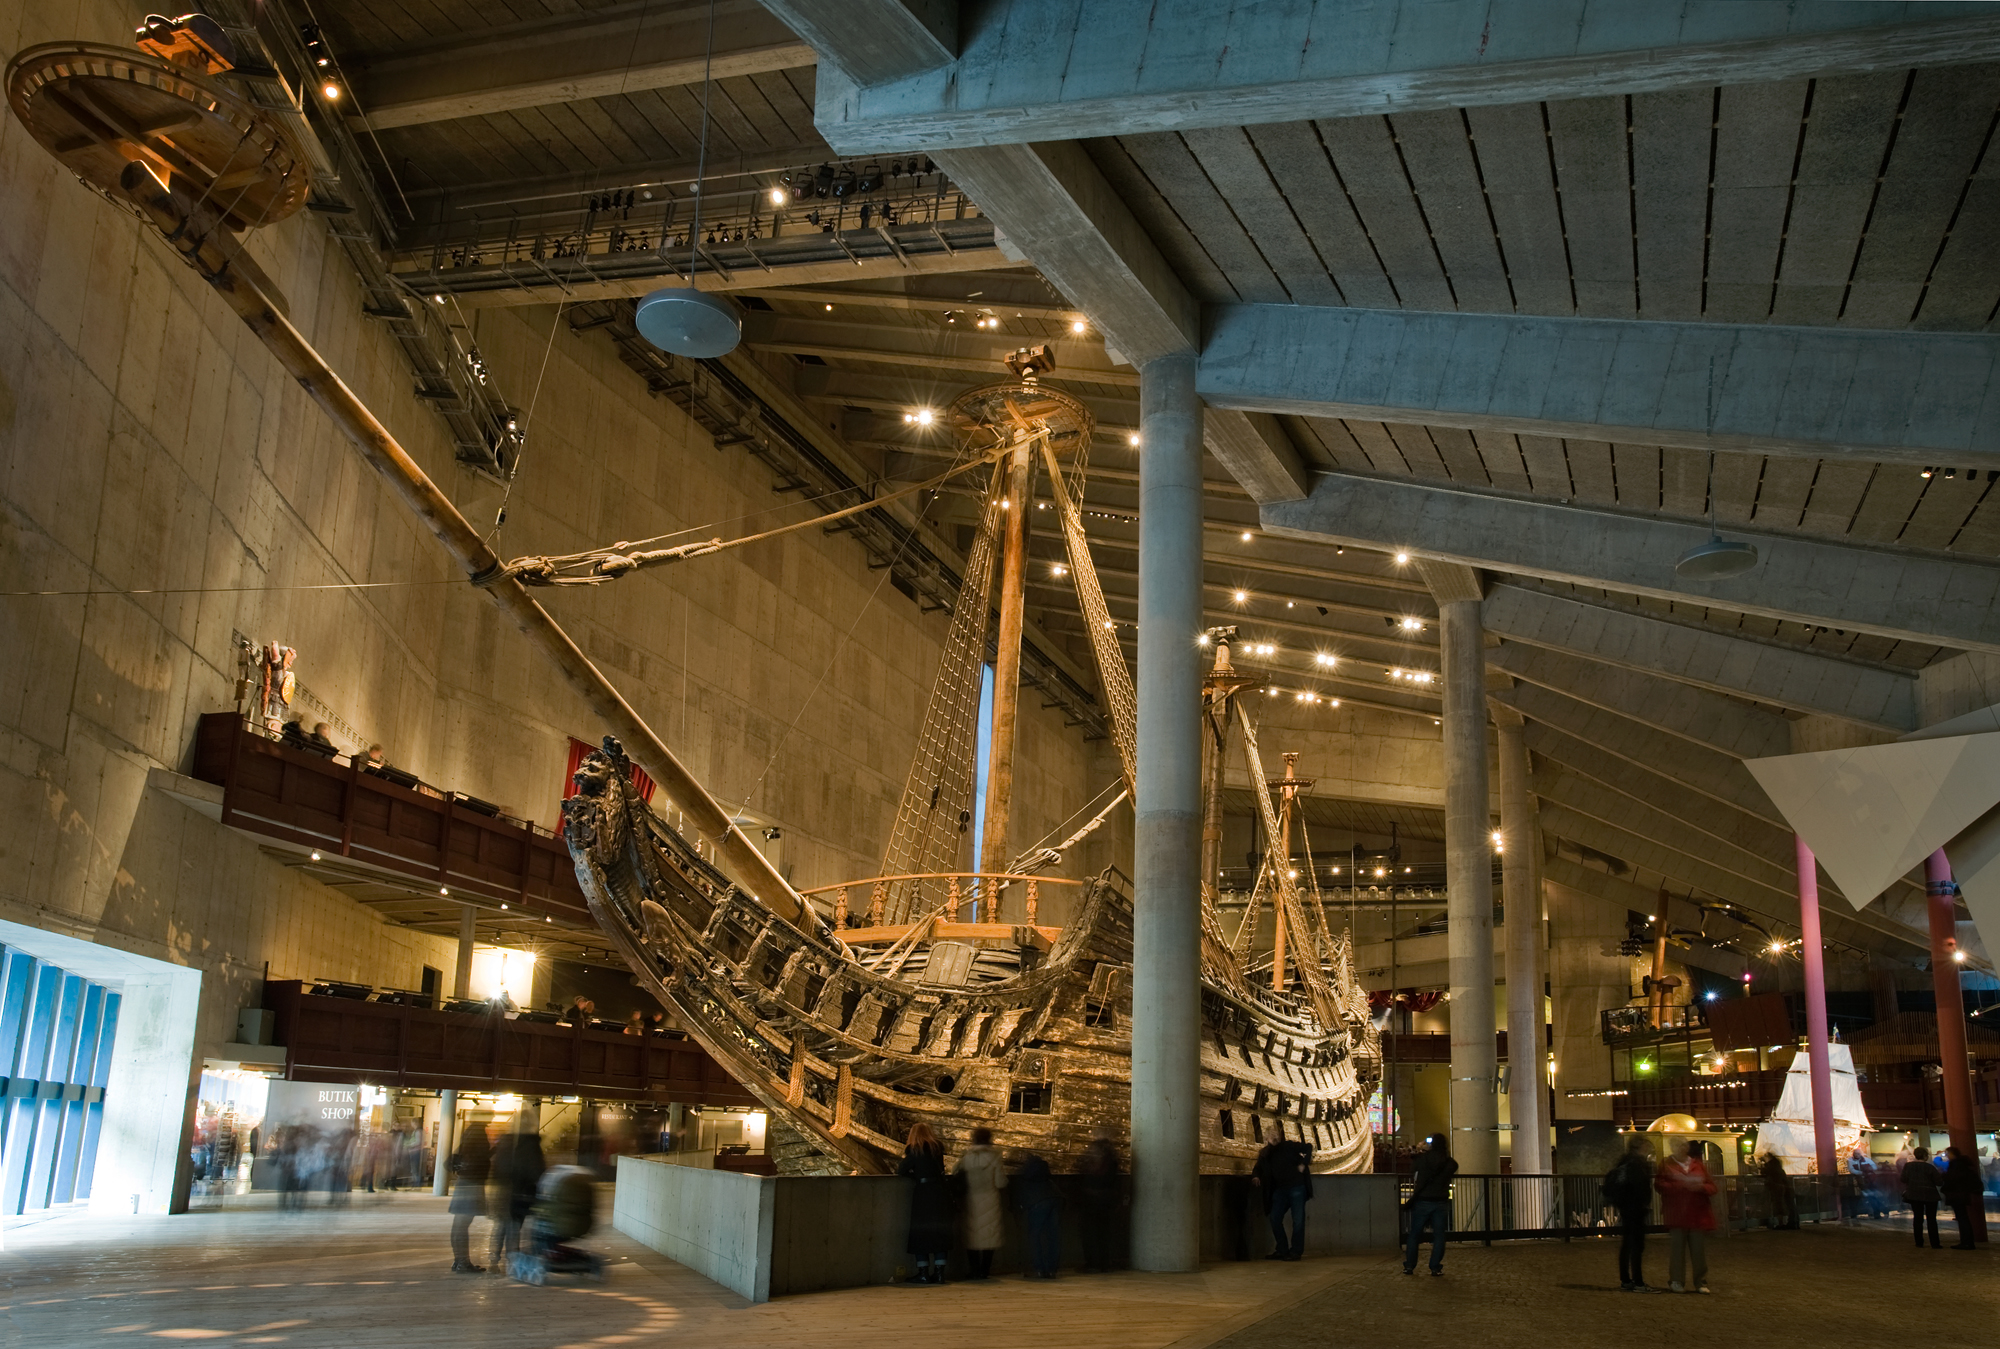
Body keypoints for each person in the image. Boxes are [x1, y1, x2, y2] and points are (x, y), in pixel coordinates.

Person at [1657, 1138, 1717, 1293]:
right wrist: (1682, 1185)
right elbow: (1659, 1185)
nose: (1681, 1148)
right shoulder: (1669, 1164)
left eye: (1683, 1145)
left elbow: (1712, 1186)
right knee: (1678, 1250)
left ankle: (1699, 1281)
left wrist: (1701, 1187)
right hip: (1678, 1213)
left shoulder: (1694, 1164)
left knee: (1698, 1251)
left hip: (1695, 1213)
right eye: (1677, 1145)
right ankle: (1678, 1280)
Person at [899, 1123, 952, 1284]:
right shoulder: (937, 1150)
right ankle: (940, 1273)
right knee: (939, 1232)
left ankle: (923, 1272)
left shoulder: (915, 1150)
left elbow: (901, 1170)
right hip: (939, 1193)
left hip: (923, 1194)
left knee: (920, 1233)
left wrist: (915, 1177)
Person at [1603, 1133, 1656, 1292]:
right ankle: (1638, 1281)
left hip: (1625, 1207)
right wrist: (1645, 1202)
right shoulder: (1637, 1164)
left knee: (1626, 1244)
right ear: (1640, 1146)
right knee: (1637, 1245)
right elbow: (1640, 1186)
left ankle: (1625, 1279)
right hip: (1636, 1208)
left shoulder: (1624, 1161)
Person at [1251, 1132, 1313, 1261]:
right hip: (1280, 1190)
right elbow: (1258, 1167)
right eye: (1271, 1135)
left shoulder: (1288, 1146)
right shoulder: (1265, 1153)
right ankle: (1282, 1249)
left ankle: (1296, 1252)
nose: (1274, 1138)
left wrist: (1303, 1163)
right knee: (1275, 1218)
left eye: (1275, 1135)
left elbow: (1308, 1147)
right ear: (1266, 1139)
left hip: (1296, 1187)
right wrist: (1255, 1176)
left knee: (1298, 1220)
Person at [956, 1126, 1007, 1280]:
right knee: (989, 1236)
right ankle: (984, 1271)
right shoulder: (995, 1157)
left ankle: (974, 1270)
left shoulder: (967, 1157)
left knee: (972, 1237)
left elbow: (955, 1171)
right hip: (990, 1200)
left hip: (971, 1200)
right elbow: (1000, 1182)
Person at [1403, 1133, 1457, 1277]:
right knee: (1439, 1236)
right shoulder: (1449, 1162)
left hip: (1422, 1199)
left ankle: (1409, 1266)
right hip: (1440, 1201)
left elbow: (1412, 1170)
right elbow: (1453, 1168)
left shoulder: (1422, 1159)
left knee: (1414, 1234)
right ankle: (1435, 1267)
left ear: (1431, 1144)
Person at [449, 1122, 493, 1273]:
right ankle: (463, 1263)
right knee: (462, 1224)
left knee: (458, 1225)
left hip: (463, 1183)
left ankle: (459, 1261)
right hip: (472, 1184)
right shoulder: (478, 1135)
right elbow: (480, 1161)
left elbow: (450, 1162)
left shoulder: (466, 1138)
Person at [1076, 1129, 1121, 1273]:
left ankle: (1093, 1262)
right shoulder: (1112, 1164)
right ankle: (1102, 1262)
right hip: (1105, 1203)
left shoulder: (1091, 1166)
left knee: (1091, 1234)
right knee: (1103, 1234)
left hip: (1092, 1203)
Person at [1013, 1150, 1061, 1279]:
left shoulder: (1025, 1173)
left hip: (1036, 1202)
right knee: (1052, 1236)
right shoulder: (1043, 1169)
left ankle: (1039, 1268)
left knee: (1035, 1236)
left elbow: (1020, 1193)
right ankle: (1052, 1269)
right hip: (1053, 1199)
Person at [1941, 1145, 1982, 1250]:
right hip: (1963, 1193)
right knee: (1963, 1217)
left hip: (1956, 1194)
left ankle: (1966, 1241)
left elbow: (1952, 1179)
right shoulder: (1963, 1165)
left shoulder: (1955, 1165)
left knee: (1962, 1218)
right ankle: (1967, 1241)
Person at [1902, 1145, 1943, 1248]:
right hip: (1930, 1195)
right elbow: (1939, 1182)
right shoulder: (1930, 1167)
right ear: (1925, 1156)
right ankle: (1935, 1243)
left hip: (1914, 1194)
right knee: (1931, 1219)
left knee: (1917, 1218)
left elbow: (1903, 1179)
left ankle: (1919, 1242)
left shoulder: (1908, 1166)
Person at [1760, 1152, 1798, 1229]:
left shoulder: (1771, 1168)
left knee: (1779, 1205)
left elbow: (1764, 1172)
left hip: (1777, 1188)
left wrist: (1762, 1165)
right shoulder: (1779, 1168)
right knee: (1789, 1206)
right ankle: (1792, 1223)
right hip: (1785, 1188)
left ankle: (1781, 1224)